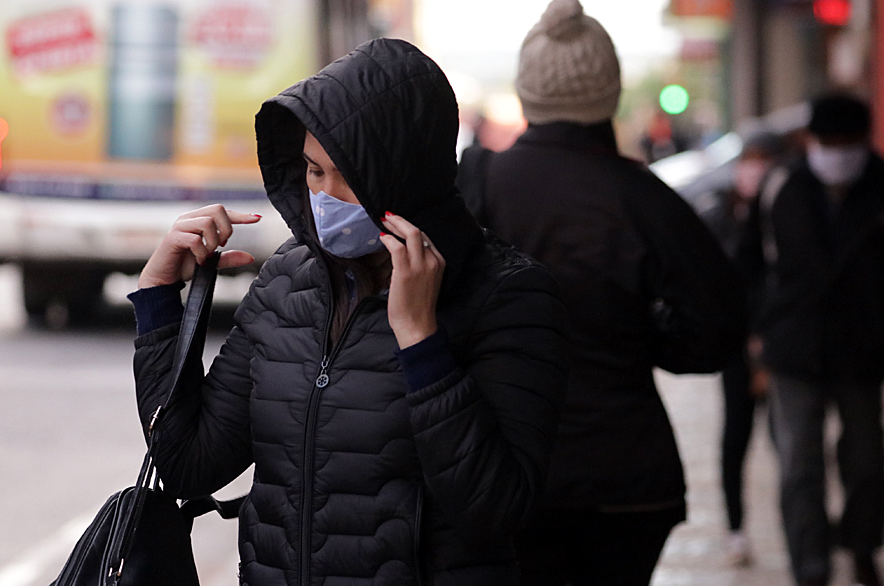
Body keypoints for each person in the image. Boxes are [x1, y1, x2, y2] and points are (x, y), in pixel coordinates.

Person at [128, 38, 569, 586]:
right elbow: (190, 463)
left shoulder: (508, 295)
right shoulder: (287, 282)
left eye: (350, 177)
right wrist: (158, 301)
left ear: (406, 178)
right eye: (314, 172)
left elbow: (495, 510)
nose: (326, 196)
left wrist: (422, 342)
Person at [455, 1, 746, 584]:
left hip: (506, 467)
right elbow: (717, 331)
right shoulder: (648, 198)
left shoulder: (477, 183)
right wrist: (643, 339)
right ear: (608, 92)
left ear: (529, 90)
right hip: (629, 476)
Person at [738, 93, 884, 586]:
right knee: (798, 465)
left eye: (847, 143)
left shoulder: (882, 185)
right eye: (829, 142)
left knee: (866, 460)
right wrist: (757, 329)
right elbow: (749, 265)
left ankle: (861, 544)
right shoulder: (783, 184)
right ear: (811, 141)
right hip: (794, 348)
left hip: (864, 349)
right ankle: (811, 564)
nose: (838, 152)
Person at [693, 130, 788, 566]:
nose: (755, 170)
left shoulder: (789, 210)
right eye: (750, 160)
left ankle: (797, 530)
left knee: (789, 442)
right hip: (737, 345)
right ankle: (736, 528)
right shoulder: (720, 214)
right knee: (736, 436)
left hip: (783, 344)